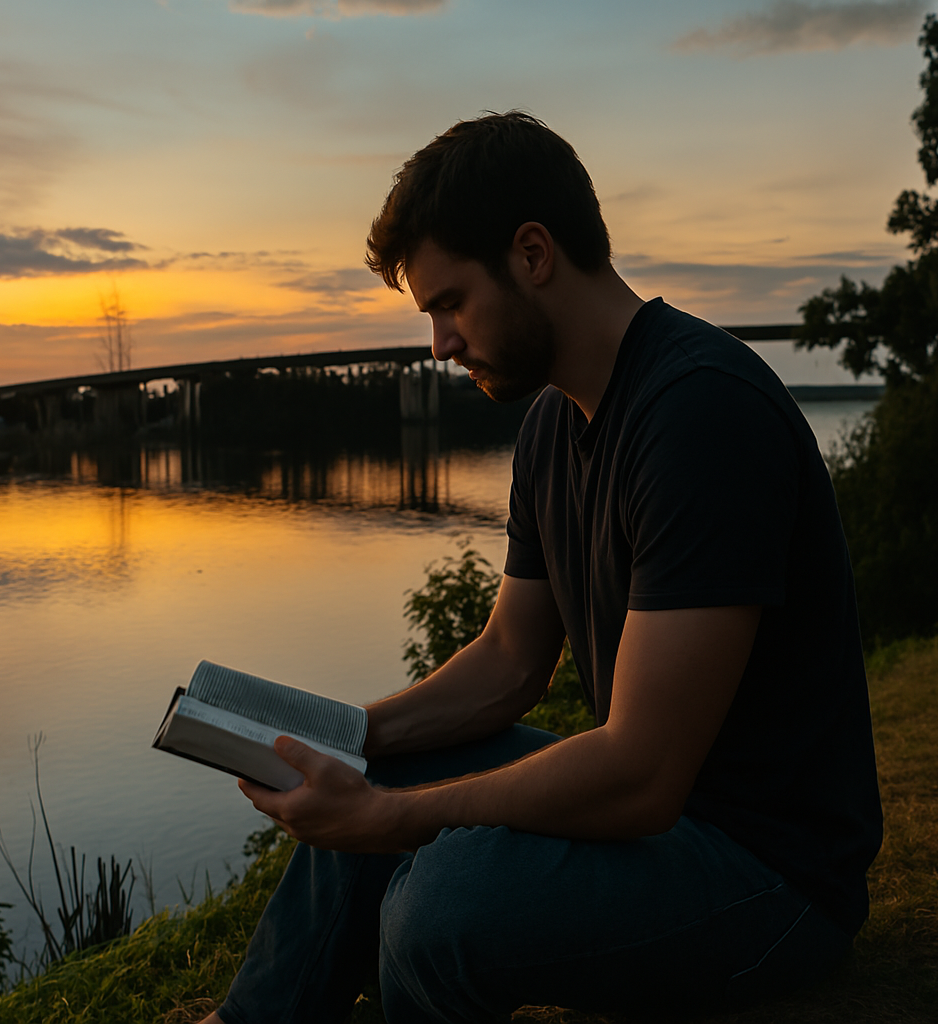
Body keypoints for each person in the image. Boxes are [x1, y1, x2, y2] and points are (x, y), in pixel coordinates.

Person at [200, 111, 882, 1024]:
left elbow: (641, 773)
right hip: (670, 829)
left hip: (768, 874)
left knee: (442, 902)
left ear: (531, 254)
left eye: (449, 303)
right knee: (385, 768)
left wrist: (386, 821)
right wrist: (347, 735)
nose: (439, 344)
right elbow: (511, 662)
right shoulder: (554, 428)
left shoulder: (702, 415)